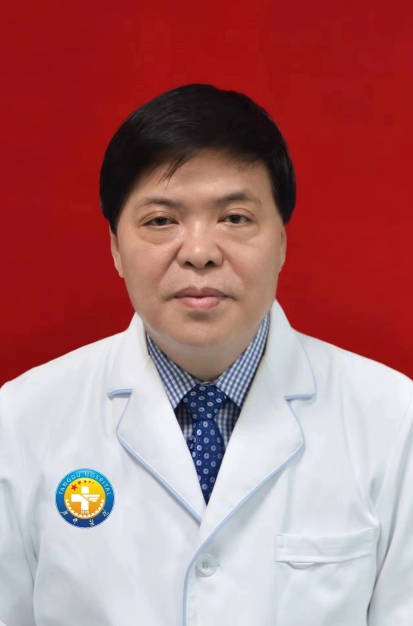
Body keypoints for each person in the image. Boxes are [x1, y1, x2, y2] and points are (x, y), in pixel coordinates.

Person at [0, 84, 412, 626]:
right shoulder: (22, 420)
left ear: (282, 241)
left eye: (235, 218)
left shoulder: (393, 420)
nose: (199, 253)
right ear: (116, 247)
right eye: (161, 220)